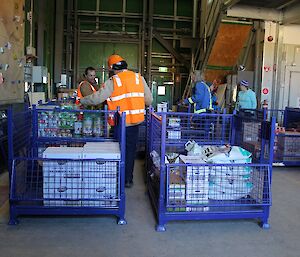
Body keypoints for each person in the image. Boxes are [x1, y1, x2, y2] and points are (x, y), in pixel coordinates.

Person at [80, 54, 153, 188]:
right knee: (130, 151)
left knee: (117, 150)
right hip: (135, 123)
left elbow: (97, 98)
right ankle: (128, 180)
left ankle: (116, 179)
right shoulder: (139, 78)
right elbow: (149, 100)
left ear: (113, 68)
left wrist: (82, 100)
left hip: (120, 123)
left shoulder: (113, 81)